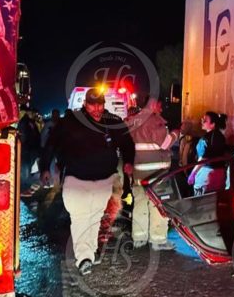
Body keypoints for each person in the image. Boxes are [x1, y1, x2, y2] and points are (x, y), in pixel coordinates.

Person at [40, 89, 135, 276]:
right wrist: (45, 167)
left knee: (94, 218)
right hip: (76, 180)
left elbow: (127, 143)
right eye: (92, 104)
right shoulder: (70, 122)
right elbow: (52, 144)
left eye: (99, 104)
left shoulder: (113, 122)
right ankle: (83, 258)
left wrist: (129, 161)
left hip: (104, 180)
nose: (96, 109)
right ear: (85, 104)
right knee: (80, 218)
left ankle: (89, 254)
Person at [125, 99, 178, 250]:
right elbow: (165, 143)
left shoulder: (135, 121)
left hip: (139, 171)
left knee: (140, 203)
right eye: (160, 105)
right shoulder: (154, 121)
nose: (161, 109)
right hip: (156, 173)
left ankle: (139, 238)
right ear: (154, 105)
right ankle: (158, 240)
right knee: (157, 204)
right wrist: (176, 133)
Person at [188, 111, 228, 196]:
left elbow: (202, 159)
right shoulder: (221, 137)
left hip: (206, 175)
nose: (202, 121)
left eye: (205, 120)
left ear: (212, 124)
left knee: (202, 202)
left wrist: (192, 174)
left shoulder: (205, 139)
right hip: (220, 174)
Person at [18, 108, 41, 197]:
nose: (33, 114)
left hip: (31, 148)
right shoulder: (24, 122)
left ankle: (25, 187)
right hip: (27, 148)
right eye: (31, 112)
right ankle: (22, 189)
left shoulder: (30, 121)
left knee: (28, 168)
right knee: (25, 169)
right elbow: (24, 135)